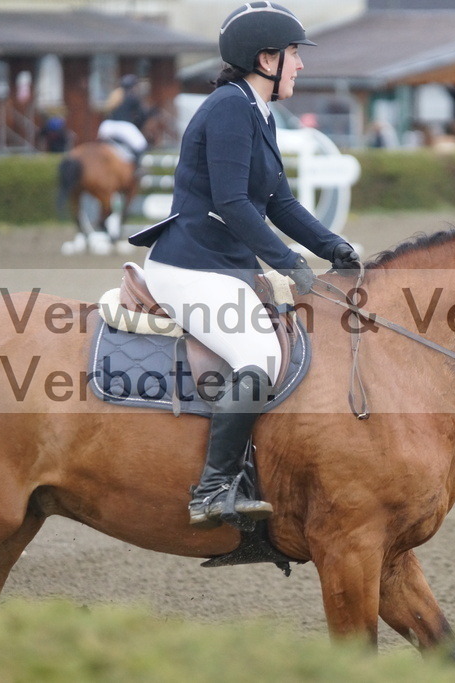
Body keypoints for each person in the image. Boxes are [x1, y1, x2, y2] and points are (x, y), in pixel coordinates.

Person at [128, 2, 360, 530]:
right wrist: (288, 262)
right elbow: (232, 203)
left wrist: (332, 247)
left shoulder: (256, 110)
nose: (300, 65)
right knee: (257, 355)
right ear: (265, 58)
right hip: (191, 267)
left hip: (222, 266)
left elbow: (277, 201)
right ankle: (213, 488)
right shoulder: (229, 109)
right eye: (295, 54)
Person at [98, 75, 150, 164]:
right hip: (124, 126)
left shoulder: (114, 96)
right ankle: (138, 170)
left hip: (106, 126)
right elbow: (142, 115)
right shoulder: (132, 97)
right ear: (133, 86)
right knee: (141, 145)